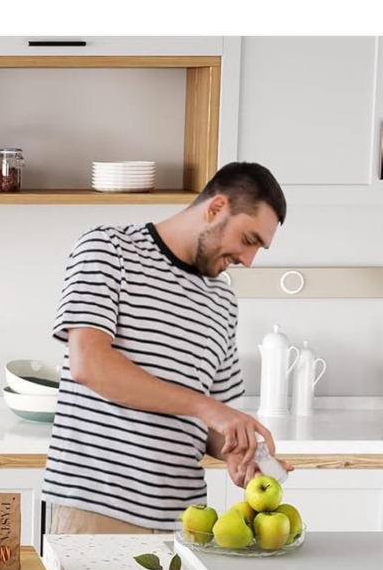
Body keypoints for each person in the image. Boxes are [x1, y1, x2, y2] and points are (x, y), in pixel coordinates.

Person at [43, 161, 292, 535]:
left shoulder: (223, 302)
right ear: (216, 208)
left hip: (186, 523)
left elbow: (214, 421)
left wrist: (239, 453)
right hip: (97, 511)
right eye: (248, 240)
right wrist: (207, 408)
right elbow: (89, 365)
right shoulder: (108, 250)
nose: (248, 260)